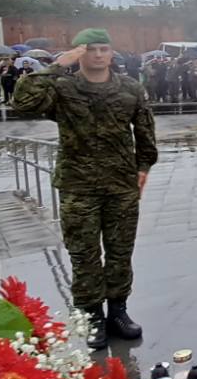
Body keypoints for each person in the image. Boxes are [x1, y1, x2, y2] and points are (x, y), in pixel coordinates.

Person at [9, 27, 156, 349]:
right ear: (79, 54)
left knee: (120, 253)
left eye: (104, 49)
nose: (99, 55)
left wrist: (144, 167)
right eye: (91, 49)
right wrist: (57, 65)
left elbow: (145, 131)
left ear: (112, 52)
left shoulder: (130, 89)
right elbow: (22, 103)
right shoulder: (62, 88)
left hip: (120, 184)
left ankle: (118, 311)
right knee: (84, 254)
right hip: (78, 185)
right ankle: (92, 317)